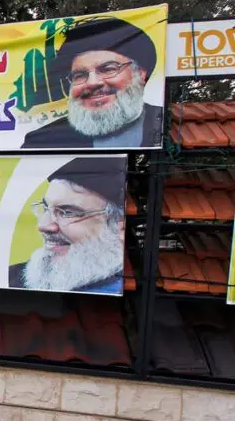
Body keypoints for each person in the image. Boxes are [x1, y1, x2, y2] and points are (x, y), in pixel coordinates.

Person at [22, 17, 162, 149]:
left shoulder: (166, 125)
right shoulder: (42, 140)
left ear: (141, 74)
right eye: (80, 75)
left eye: (108, 69)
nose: (93, 83)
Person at [8, 158, 126, 294]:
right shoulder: (11, 279)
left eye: (68, 212)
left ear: (119, 225)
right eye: (46, 208)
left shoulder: (126, 289)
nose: (44, 226)